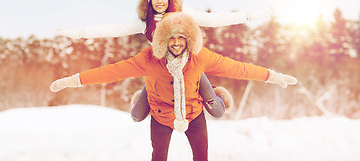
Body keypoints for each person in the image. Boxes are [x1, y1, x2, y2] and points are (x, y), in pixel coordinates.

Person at [50, 12, 297, 161]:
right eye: (172, 37)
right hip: (160, 114)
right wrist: (74, 80)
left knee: (201, 156)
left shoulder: (201, 57)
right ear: (163, 39)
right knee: (158, 157)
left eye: (181, 37)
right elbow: (112, 72)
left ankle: (213, 100)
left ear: (189, 39)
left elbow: (238, 68)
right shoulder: (148, 59)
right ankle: (143, 98)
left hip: (193, 113)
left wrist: (272, 76)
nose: (177, 42)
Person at [57, 0, 272, 122]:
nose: (159, 1)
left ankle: (213, 93)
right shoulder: (144, 22)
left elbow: (215, 19)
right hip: (159, 71)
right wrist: (77, 33)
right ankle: (151, 97)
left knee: (217, 112)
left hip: (189, 67)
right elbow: (113, 29)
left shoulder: (183, 13)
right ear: (149, 1)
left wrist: (254, 16)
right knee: (136, 116)